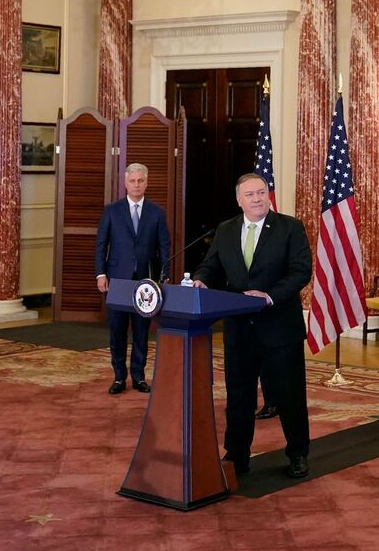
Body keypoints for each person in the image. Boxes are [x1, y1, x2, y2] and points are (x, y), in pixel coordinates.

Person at [192, 173, 313, 479]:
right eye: (250, 194)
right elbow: (213, 265)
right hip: (240, 330)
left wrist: (270, 296)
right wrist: (201, 280)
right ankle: (237, 456)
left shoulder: (290, 227)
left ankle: (298, 453)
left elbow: (301, 272)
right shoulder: (226, 229)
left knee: (289, 396)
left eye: (262, 192)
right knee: (239, 396)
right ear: (239, 200)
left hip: (279, 328)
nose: (257, 198)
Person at [94, 163, 171, 395]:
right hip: (117, 280)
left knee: (141, 330)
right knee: (117, 330)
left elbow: (164, 247)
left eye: (140, 181)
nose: (136, 185)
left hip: (145, 283)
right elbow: (101, 245)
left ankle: (138, 376)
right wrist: (100, 273)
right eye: (132, 181)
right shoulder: (112, 211)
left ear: (146, 183)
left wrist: (163, 277)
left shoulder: (157, 212)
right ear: (125, 183)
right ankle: (119, 376)